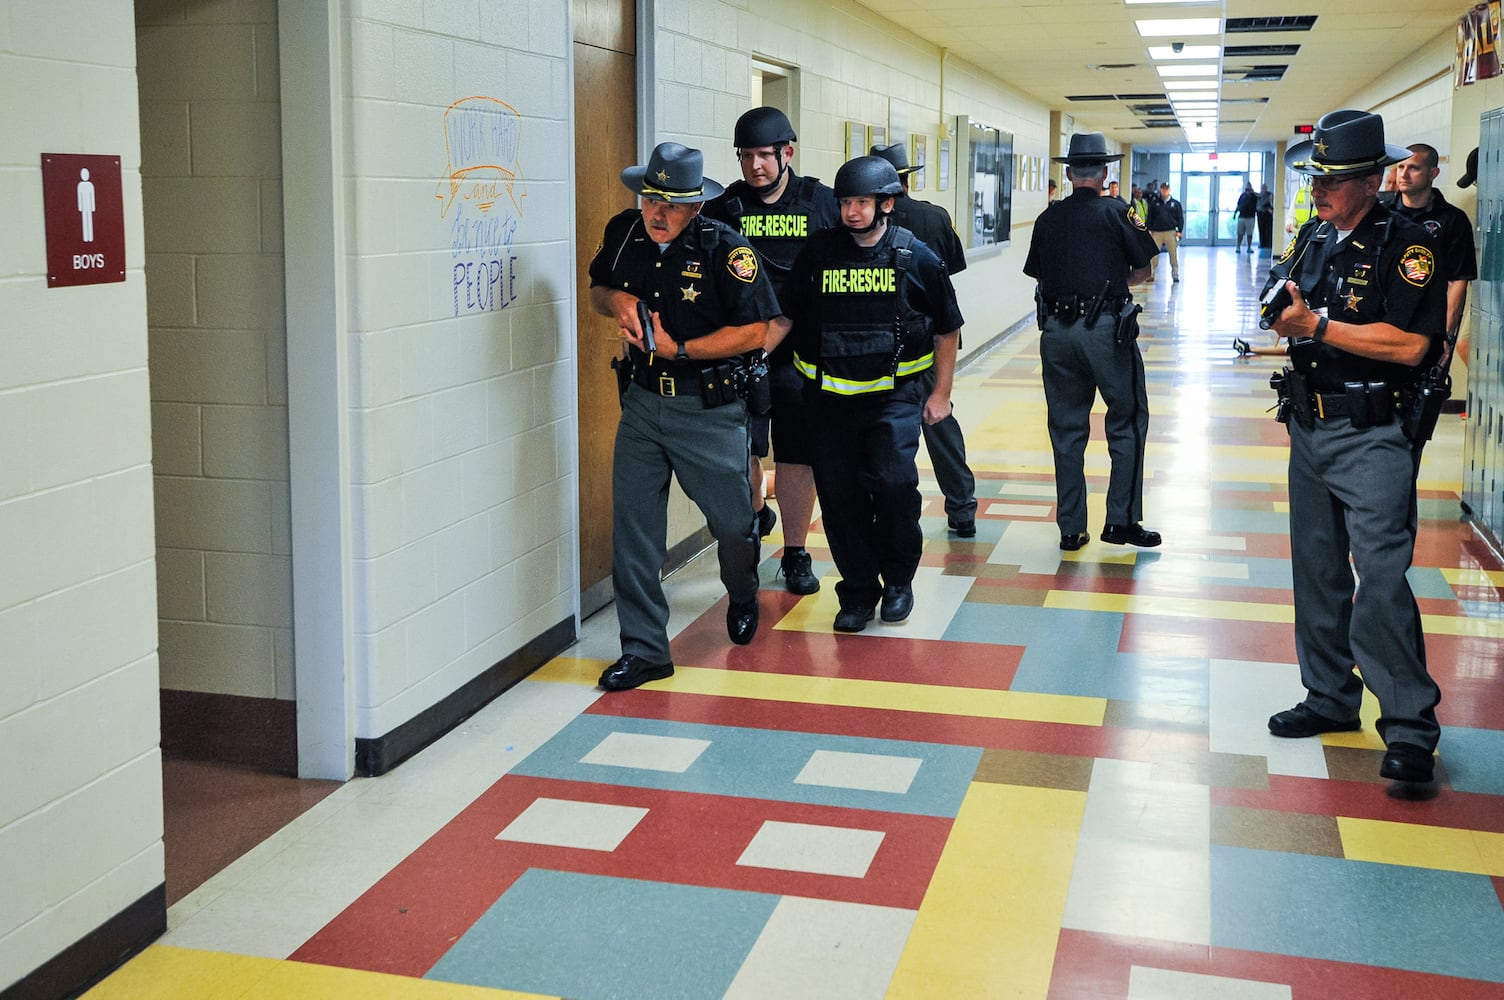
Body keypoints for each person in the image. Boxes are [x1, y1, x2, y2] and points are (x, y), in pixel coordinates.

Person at [1261, 109, 1447, 785]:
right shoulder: (1316, 236)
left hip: (1373, 434)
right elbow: (1286, 293)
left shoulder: (1410, 245)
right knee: (1317, 574)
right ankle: (1330, 697)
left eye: (1333, 181)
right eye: (1316, 178)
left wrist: (1315, 324)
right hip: (1309, 424)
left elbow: (1409, 344)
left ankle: (1408, 728)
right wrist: (1281, 310)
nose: (1319, 190)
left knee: (1381, 580)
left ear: (1373, 180)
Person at [587, 142, 780, 691]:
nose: (658, 212)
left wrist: (681, 350)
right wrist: (618, 303)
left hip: (709, 410)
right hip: (643, 405)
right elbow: (600, 288)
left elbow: (755, 332)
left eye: (672, 202)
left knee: (731, 525)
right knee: (634, 532)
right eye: (651, 197)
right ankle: (646, 651)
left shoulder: (726, 250)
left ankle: (742, 591)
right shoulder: (626, 231)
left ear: (696, 205)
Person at [782, 155, 964, 632]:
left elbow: (948, 330)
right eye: (845, 202)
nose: (851, 212)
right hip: (827, 401)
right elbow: (786, 318)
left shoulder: (916, 256)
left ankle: (899, 581)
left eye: (862, 202)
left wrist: (941, 394)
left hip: (894, 399)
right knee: (840, 500)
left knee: (894, 487)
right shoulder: (818, 254)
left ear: (886, 203)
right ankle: (859, 591)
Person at [705, 107, 838, 596]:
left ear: (788, 153)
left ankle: (797, 552)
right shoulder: (723, 209)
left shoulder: (822, 205)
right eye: (746, 156)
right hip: (740, 353)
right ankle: (760, 512)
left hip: (801, 357)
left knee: (797, 459)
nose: (755, 165)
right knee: (741, 451)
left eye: (765, 155)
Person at [1024, 132, 1161, 552]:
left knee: (1066, 430)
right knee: (1127, 419)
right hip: (1105, 332)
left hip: (1056, 335)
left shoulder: (1047, 219)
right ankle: (1120, 521)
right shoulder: (1118, 212)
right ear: (1104, 173)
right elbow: (1145, 269)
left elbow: (1040, 275)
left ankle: (1071, 528)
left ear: (1068, 174)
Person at [869, 141, 980, 537]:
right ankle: (961, 508)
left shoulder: (859, 222)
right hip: (934, 337)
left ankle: (886, 510)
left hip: (879, 343)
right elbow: (952, 271)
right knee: (940, 419)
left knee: (883, 426)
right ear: (905, 179)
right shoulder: (934, 217)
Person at [1389, 142, 1478, 369]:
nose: (1404, 175)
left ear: (1433, 173)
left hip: (1426, 325)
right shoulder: (1382, 214)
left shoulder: (1452, 220)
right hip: (1386, 321)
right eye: (1401, 167)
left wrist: (1445, 335)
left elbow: (1458, 281)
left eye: (1414, 168)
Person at [1145, 182, 1183, 283]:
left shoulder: (1176, 204)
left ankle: (1175, 274)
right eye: (1163, 189)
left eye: (1167, 189)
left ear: (1169, 190)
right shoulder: (1154, 203)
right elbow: (1150, 217)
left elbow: (1180, 218)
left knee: (1173, 254)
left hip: (1171, 232)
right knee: (1154, 255)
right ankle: (1151, 274)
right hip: (1157, 232)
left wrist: (1180, 230)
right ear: (1161, 190)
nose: (1165, 191)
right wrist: (1148, 229)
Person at [1234, 181, 1258, 252]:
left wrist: (1252, 192)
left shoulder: (1253, 196)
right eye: (1247, 186)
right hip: (1241, 217)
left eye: (1249, 186)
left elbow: (1259, 196)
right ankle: (1238, 247)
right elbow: (1238, 205)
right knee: (1240, 233)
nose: (1248, 188)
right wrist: (1235, 214)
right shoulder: (1242, 195)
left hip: (1250, 217)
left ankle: (1249, 247)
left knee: (1249, 233)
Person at [1256, 183, 1274, 251]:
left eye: (1265, 187)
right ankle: (1262, 243)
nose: (1263, 189)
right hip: (1260, 214)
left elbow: (1272, 204)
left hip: (1267, 214)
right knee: (1261, 229)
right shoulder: (1259, 195)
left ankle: (1268, 244)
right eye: (1262, 187)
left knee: (1268, 229)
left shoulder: (1269, 194)